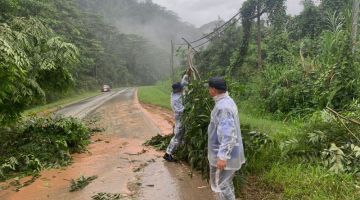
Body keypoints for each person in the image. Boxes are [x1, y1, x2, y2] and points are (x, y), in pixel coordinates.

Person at [207, 77, 245, 200]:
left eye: (209, 88)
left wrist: (222, 156)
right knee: (226, 183)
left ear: (213, 89)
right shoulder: (226, 101)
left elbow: (228, 134)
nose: (208, 90)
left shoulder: (223, 107)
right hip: (229, 152)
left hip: (226, 154)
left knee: (221, 184)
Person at [163, 82, 185, 162]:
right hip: (180, 118)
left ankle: (179, 151)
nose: (183, 89)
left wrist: (187, 75)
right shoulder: (175, 99)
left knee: (182, 136)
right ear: (178, 89)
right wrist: (189, 108)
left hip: (181, 118)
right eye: (181, 88)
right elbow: (181, 110)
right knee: (177, 136)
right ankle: (168, 154)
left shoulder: (177, 94)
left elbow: (184, 83)